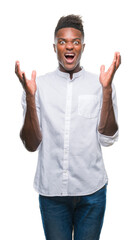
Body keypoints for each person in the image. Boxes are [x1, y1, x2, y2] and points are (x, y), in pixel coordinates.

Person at [15, 14, 121, 240]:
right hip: (52, 194)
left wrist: (107, 91)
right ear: (55, 47)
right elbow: (31, 144)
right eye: (62, 41)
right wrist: (30, 98)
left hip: (92, 192)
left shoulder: (99, 83)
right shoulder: (38, 86)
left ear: (83, 46)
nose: (69, 46)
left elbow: (108, 138)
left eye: (75, 41)